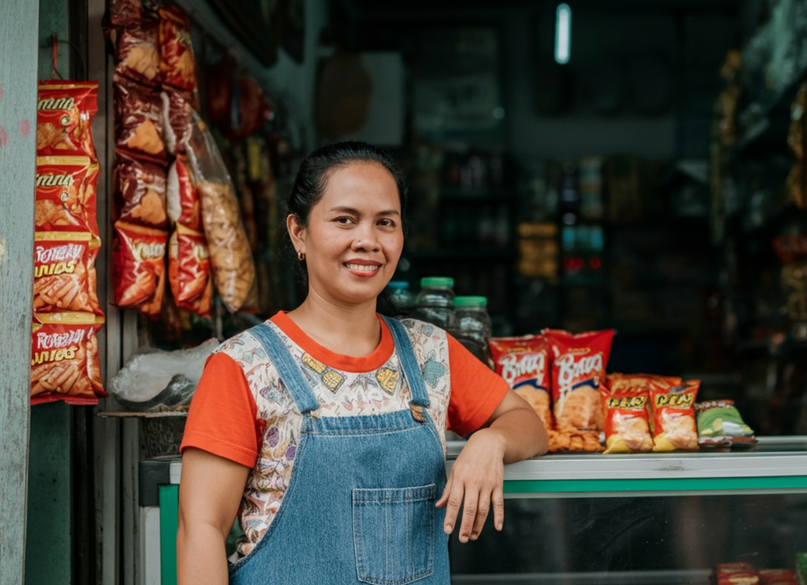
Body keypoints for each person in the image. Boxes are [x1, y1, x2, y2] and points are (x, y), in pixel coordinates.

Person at [176, 141, 548, 585]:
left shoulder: (429, 352)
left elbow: (528, 423)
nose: (368, 241)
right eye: (345, 220)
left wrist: (491, 441)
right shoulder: (243, 365)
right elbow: (201, 529)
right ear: (298, 232)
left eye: (385, 222)